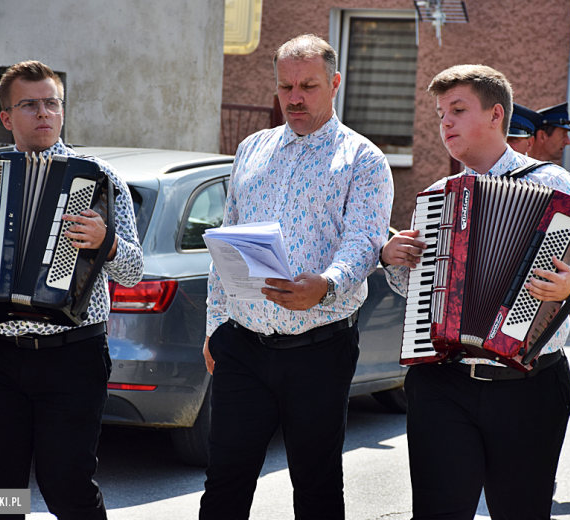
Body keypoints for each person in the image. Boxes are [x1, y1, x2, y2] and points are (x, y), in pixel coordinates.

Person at [0, 60, 143, 519]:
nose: (44, 113)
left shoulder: (100, 178)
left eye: (52, 103)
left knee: (69, 487)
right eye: (30, 105)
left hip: (72, 356)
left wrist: (108, 242)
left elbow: (134, 271)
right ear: (7, 117)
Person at [380, 64, 570, 519]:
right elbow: (420, 294)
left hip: (530, 384)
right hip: (443, 379)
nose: (445, 123)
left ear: (496, 115)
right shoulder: (437, 196)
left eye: (458, 110)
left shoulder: (552, 185)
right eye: (441, 113)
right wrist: (394, 259)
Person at [199, 34, 393, 520]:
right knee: (224, 481)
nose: (295, 97)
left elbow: (365, 242)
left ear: (335, 83)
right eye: (285, 87)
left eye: (307, 85)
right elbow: (228, 240)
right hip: (241, 345)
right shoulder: (251, 149)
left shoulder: (364, 159)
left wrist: (324, 285)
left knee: (316, 485)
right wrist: (214, 327)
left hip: (319, 349)